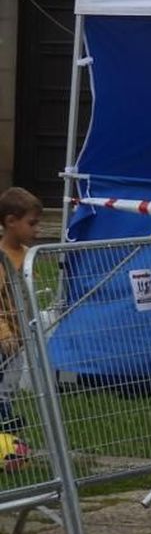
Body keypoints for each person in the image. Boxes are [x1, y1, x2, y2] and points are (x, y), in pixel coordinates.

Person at [0, 187, 42, 441]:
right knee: (2, 391)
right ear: (10, 221)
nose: (37, 229)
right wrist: (4, 332)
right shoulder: (2, 259)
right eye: (32, 223)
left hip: (19, 339)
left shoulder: (29, 255)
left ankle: (5, 433)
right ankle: (5, 431)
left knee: (9, 388)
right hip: (4, 338)